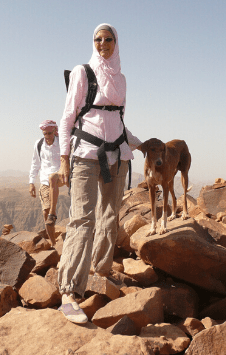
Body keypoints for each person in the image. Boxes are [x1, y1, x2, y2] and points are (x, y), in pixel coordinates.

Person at [56, 23, 142, 323]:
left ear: (116, 43)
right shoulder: (83, 72)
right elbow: (68, 117)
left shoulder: (121, 78)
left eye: (108, 39)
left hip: (118, 155)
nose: (103, 43)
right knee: (82, 218)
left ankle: (101, 271)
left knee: (110, 214)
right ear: (92, 42)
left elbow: (117, 120)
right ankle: (69, 292)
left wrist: (140, 144)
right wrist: (64, 159)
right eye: (98, 39)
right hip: (84, 156)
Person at [29, 120, 63, 244]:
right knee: (45, 212)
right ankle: (53, 243)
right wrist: (31, 182)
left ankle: (53, 214)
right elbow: (35, 163)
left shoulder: (62, 142)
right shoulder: (39, 144)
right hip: (44, 178)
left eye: (49, 133)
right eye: (45, 134)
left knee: (53, 178)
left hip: (61, 175)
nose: (47, 136)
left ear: (55, 131)